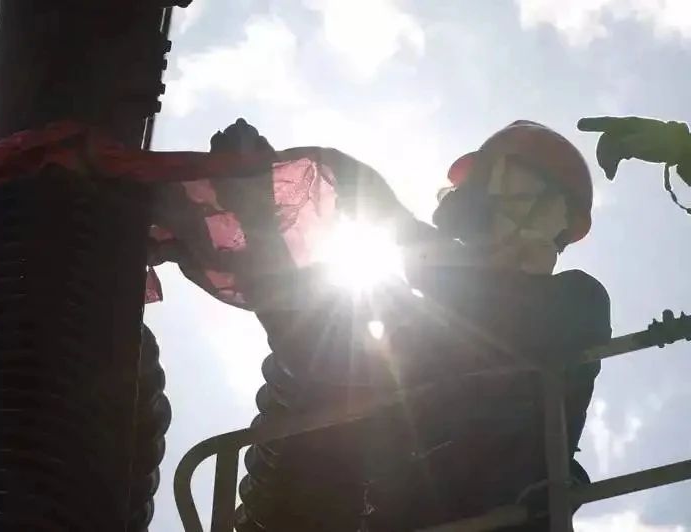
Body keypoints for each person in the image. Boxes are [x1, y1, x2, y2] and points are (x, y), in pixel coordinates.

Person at [211, 119, 612, 532]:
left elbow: (493, 308)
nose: (488, 201)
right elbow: (312, 349)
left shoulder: (576, 300)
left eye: (507, 184)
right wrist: (259, 222)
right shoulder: (425, 324)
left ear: (557, 215)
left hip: (500, 513)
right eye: (486, 185)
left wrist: (389, 213)